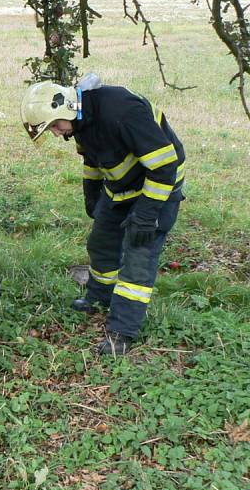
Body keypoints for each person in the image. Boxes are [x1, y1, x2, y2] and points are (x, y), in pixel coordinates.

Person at [20, 74, 185, 356]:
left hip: (156, 189)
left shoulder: (122, 112)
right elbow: (92, 156)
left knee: (137, 257)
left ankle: (122, 332)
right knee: (102, 242)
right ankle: (99, 298)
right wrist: (92, 191)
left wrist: (146, 214)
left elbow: (164, 166)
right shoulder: (80, 121)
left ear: (66, 109)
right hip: (120, 188)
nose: (57, 133)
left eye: (55, 126)